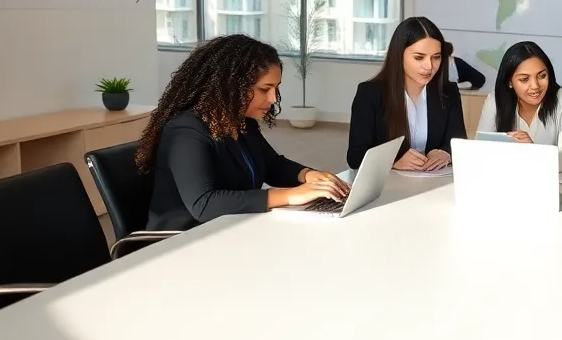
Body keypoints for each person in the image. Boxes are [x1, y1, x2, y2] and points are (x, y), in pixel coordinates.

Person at [139, 34, 350, 231]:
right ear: (230, 86)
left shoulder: (242, 123)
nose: (273, 99)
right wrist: (291, 195)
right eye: (264, 89)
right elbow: (204, 204)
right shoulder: (185, 131)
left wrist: (308, 175)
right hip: (181, 243)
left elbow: (272, 165)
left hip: (232, 229)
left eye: (276, 88)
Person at [347, 17, 466, 171]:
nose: (429, 66)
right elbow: (355, 157)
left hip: (434, 183)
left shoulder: (449, 92)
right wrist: (393, 161)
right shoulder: (370, 94)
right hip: (389, 186)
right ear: (399, 54)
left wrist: (445, 153)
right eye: (419, 57)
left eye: (436, 57)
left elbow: (458, 141)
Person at [476, 41, 562, 172]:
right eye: (524, 79)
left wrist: (534, 153)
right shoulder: (495, 101)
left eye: (542, 76)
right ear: (509, 82)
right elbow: (478, 151)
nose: (535, 86)